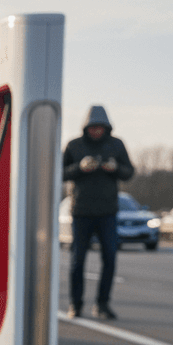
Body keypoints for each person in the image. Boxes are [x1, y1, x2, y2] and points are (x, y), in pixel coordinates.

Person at [62, 105, 134, 319]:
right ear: (86, 127)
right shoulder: (74, 146)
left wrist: (116, 169)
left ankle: (102, 304)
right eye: (92, 127)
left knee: (110, 258)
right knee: (78, 261)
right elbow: (60, 172)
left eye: (100, 127)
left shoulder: (117, 145)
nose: (96, 131)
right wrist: (80, 168)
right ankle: (76, 304)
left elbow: (129, 172)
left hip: (107, 212)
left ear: (106, 128)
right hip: (81, 211)